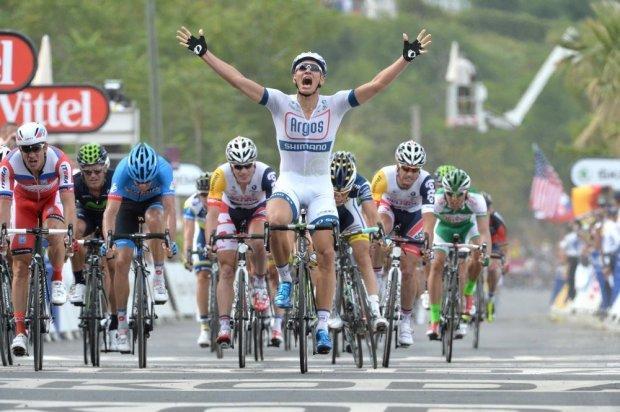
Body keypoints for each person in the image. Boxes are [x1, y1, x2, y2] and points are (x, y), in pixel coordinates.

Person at [177, 25, 432, 354]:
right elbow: (238, 81)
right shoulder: (280, 103)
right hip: (290, 181)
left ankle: (323, 323)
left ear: (321, 79)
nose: (307, 72)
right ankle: (285, 278)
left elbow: (377, 85)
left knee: (325, 251)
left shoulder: (336, 104)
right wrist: (204, 53)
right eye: (301, 69)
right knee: (277, 218)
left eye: (314, 69)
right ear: (294, 79)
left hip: (320, 186)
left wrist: (405, 59)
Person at [0, 122, 77, 356]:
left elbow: (68, 202)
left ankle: (56, 279)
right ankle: (20, 331)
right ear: (19, 150)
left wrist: (71, 232)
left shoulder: (60, 160)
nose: (31, 154)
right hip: (24, 204)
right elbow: (4, 202)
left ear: (45, 146)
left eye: (36, 148)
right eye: (26, 149)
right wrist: (2, 232)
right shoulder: (8, 164)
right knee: (20, 266)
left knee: (55, 228)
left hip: (50, 201)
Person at [102, 142, 178, 353]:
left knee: (156, 219)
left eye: (147, 180)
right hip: (126, 206)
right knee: (121, 260)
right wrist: (108, 241)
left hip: (153, 204)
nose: (143, 185)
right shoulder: (122, 170)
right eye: (138, 180)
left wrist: (170, 241)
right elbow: (109, 213)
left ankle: (159, 276)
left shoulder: (163, 169)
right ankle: (122, 326)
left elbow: (171, 211)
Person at [205, 136, 276, 347]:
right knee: (226, 268)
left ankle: (259, 282)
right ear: (231, 165)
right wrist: (211, 238)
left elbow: (274, 209)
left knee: (257, 241)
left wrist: (270, 235)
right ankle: (225, 325)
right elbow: (213, 211)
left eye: (247, 166)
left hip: (258, 211)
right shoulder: (220, 175)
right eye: (238, 167)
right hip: (230, 212)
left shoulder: (266, 174)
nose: (243, 171)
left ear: (254, 163)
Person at [370, 140, 435, 346]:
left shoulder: (426, 181)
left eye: (414, 170)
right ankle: (378, 278)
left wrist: (427, 241)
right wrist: (376, 234)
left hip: (414, 218)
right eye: (405, 168)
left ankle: (406, 321)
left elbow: (429, 218)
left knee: (408, 270)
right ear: (397, 166)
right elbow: (372, 210)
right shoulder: (383, 176)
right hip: (388, 211)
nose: (409, 174)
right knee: (379, 233)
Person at [426, 168, 491, 340]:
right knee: (437, 263)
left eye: (459, 195)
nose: (454, 199)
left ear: (467, 193)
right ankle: (434, 319)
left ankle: (468, 293)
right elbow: (428, 229)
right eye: (450, 194)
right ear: (444, 192)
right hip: (443, 230)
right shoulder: (436, 200)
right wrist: (427, 250)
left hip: (468, 229)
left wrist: (485, 253)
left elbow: (484, 231)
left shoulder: (477, 200)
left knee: (478, 256)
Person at [329, 151, 387, 332]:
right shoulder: (319, 180)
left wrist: (379, 233)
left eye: (343, 192)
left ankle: (375, 311)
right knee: (325, 258)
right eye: (335, 192)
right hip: (326, 213)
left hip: (350, 216)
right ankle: (330, 309)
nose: (338, 197)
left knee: (363, 256)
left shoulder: (361, 183)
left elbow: (370, 211)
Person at [183, 172, 213, 347]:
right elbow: (188, 231)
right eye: (203, 194)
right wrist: (187, 252)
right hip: (202, 235)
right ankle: (204, 326)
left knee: (227, 271)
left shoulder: (225, 199)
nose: (206, 198)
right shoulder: (192, 203)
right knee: (202, 276)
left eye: (209, 194)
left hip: (221, 232)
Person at [481, 191, 508, 321]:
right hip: (474, 240)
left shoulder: (497, 220)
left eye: (486, 207)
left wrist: (505, 261)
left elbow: (503, 243)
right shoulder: (470, 216)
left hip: (494, 243)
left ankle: (490, 297)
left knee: (493, 267)